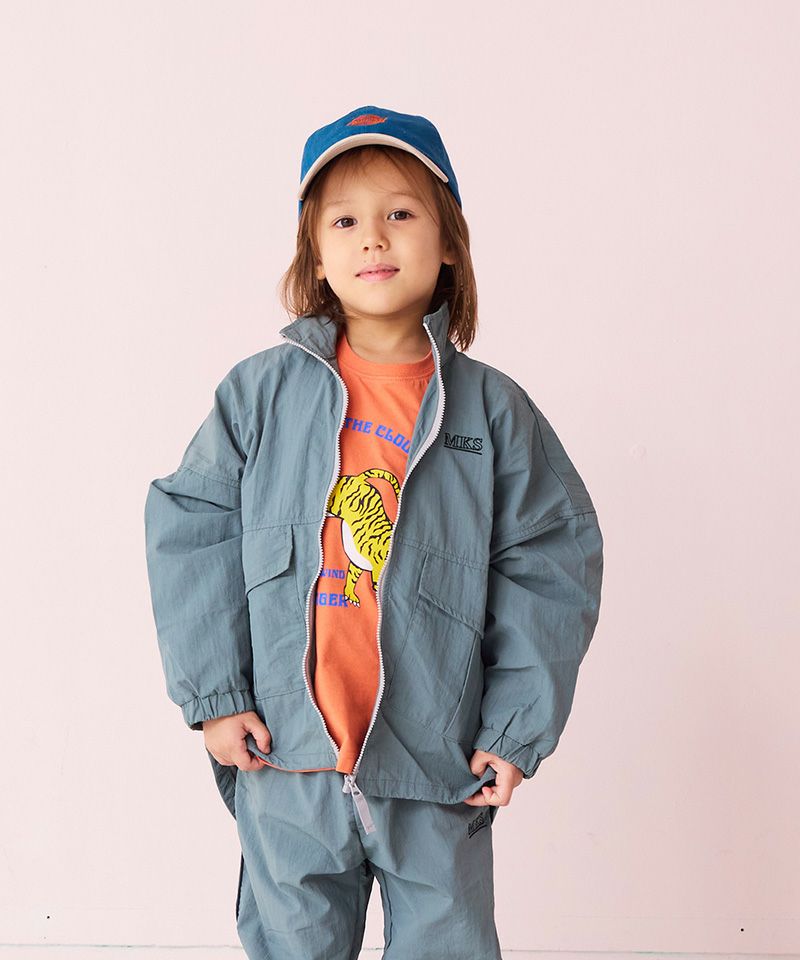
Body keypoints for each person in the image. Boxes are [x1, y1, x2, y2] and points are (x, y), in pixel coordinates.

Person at [144, 104, 604, 960]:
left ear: (449, 242)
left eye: (400, 213)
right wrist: (217, 697)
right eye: (345, 222)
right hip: (286, 755)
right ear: (315, 256)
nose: (374, 239)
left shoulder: (492, 411)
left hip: (436, 763)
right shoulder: (259, 395)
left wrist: (514, 730)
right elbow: (191, 531)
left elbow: (551, 563)